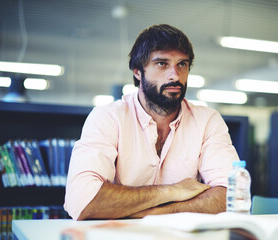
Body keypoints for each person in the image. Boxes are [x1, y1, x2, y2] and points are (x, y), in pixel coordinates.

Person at [64, 24, 240, 220]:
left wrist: (153, 212)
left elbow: (233, 198)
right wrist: (172, 191)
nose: (175, 75)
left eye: (182, 64)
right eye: (162, 63)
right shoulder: (107, 117)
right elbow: (81, 201)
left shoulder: (208, 121)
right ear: (138, 71)